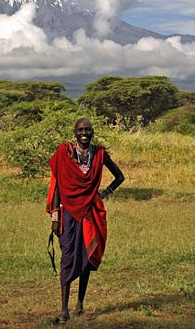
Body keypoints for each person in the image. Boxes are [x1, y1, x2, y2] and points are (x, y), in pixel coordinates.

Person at [46, 118, 124, 324]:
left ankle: (80, 304)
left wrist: (105, 193)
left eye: (88, 130)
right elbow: (56, 186)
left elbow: (119, 177)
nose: (84, 133)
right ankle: (64, 310)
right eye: (81, 129)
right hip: (68, 213)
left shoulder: (98, 154)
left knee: (86, 257)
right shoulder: (64, 152)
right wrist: (55, 216)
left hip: (90, 212)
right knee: (68, 257)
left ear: (92, 132)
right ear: (75, 132)